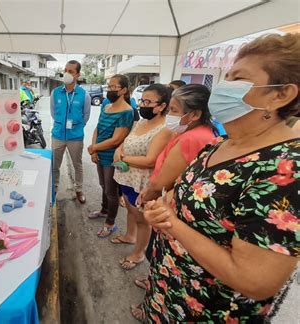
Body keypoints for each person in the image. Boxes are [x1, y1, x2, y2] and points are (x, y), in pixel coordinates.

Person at [142, 33, 299, 323]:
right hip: (171, 292)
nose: (223, 87)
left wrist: (171, 223)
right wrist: (166, 206)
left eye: (237, 79)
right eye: (226, 76)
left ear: (281, 94)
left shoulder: (286, 169)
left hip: (210, 311)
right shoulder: (222, 144)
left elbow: (254, 280)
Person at [129, 84, 217, 318]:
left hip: (170, 202)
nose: (171, 116)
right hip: (172, 201)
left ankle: (150, 306)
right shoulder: (195, 132)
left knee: (165, 265)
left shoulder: (193, 138)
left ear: (195, 114)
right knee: (161, 263)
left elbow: (164, 177)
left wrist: (150, 192)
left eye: (175, 110)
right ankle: (151, 293)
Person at [111, 84, 173, 270]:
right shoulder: (141, 123)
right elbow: (126, 140)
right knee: (130, 210)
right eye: (142, 100)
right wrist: (118, 148)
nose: (142, 105)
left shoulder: (165, 129)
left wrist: (123, 157)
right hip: (127, 177)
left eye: (147, 101)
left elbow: (150, 160)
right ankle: (130, 236)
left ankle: (138, 253)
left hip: (142, 181)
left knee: (142, 219)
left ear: (161, 106)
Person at [87, 74, 134, 237]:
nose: (110, 90)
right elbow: (97, 128)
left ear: (124, 90)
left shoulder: (127, 111)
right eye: (109, 86)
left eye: (114, 87)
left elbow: (116, 140)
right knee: (103, 185)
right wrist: (95, 149)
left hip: (111, 157)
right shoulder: (106, 106)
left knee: (111, 191)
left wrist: (94, 148)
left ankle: (110, 223)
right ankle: (104, 210)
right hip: (100, 153)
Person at [50, 60, 91, 203]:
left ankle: (79, 189)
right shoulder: (55, 93)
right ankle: (53, 189)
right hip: (58, 135)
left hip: (76, 137)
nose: (67, 73)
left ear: (77, 75)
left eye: (71, 71)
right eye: (65, 70)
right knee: (54, 165)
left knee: (77, 165)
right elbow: (53, 113)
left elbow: (86, 116)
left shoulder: (84, 95)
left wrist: (76, 127)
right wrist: (61, 124)